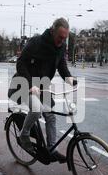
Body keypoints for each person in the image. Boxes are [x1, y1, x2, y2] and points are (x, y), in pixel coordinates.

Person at [8, 18, 75, 163]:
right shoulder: (36, 42)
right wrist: (31, 84)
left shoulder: (61, 46)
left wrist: (69, 78)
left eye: (65, 38)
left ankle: (52, 149)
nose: (62, 41)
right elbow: (20, 63)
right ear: (52, 31)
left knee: (50, 116)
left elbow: (61, 64)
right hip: (23, 83)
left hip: (42, 85)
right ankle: (24, 135)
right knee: (37, 109)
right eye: (60, 37)